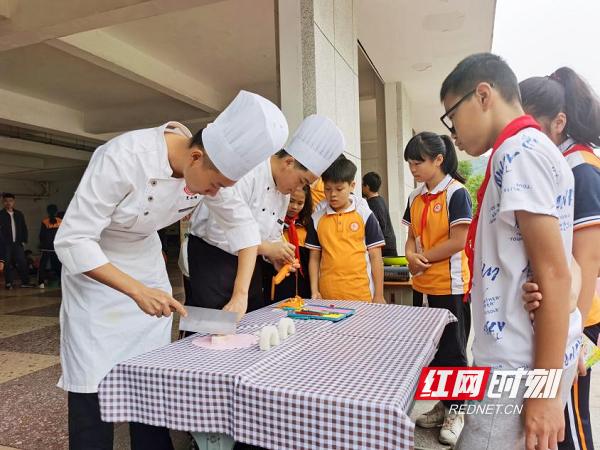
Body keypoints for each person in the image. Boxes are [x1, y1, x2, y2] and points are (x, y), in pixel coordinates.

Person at [53, 90, 289, 450]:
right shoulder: (123, 156)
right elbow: (72, 240)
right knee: (93, 387)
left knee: (149, 382)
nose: (214, 194)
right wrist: (135, 290)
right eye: (214, 185)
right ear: (196, 156)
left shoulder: (211, 172)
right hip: (96, 268)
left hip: (144, 260)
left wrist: (240, 297)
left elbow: (243, 230)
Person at [439, 53, 582, 450]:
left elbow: (555, 273)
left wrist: (543, 392)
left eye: (452, 117)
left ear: (483, 95)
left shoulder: (516, 153)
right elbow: (561, 264)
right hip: (530, 355)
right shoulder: (537, 147)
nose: (454, 134)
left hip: (517, 366)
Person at [187, 114, 345, 314]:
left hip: (249, 263)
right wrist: (269, 249)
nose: (300, 188)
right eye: (302, 181)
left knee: (251, 322)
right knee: (211, 332)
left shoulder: (283, 192)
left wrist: (275, 256)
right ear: (288, 162)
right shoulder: (247, 173)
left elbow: (271, 233)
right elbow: (220, 232)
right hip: (212, 260)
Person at [518, 67, 600, 450]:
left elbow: (587, 257)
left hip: (581, 318)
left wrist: (578, 333)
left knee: (570, 421)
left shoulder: (580, 169)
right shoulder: (562, 163)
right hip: (562, 314)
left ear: (559, 121)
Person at [402, 132, 472, 446]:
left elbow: (458, 240)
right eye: (410, 163)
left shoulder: (456, 193)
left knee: (454, 350)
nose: (413, 168)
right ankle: (442, 405)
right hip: (423, 284)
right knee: (430, 351)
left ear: (439, 160)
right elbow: (411, 237)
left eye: (418, 162)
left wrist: (422, 259)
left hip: (451, 285)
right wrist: (410, 257)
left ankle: (458, 410)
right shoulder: (414, 197)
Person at [306, 155, 385, 303]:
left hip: (361, 295)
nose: (333, 194)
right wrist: (314, 290)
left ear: (352, 186)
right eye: (328, 189)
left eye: (339, 189)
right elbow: (314, 258)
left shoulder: (365, 215)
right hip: (327, 297)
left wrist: (379, 295)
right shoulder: (316, 218)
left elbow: (375, 257)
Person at [267, 185, 313, 302]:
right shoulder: (271, 223)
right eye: (291, 201)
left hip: (303, 286)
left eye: (300, 203)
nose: (294, 207)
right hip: (276, 280)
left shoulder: (307, 224)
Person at [0, 193, 33, 288]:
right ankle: (9, 283)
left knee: (22, 262)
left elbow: (24, 227)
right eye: (6, 201)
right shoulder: (1, 215)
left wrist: (24, 240)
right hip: (5, 244)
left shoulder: (19, 214)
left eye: (10, 201)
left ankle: (25, 282)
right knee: (7, 263)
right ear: (3, 202)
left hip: (18, 243)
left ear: (14, 202)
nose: (8, 203)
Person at [362, 171, 398, 257]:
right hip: (389, 244)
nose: (362, 188)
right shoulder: (381, 200)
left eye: (363, 185)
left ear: (367, 186)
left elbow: (374, 228)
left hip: (383, 247)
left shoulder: (371, 204)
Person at [38, 204, 62, 288]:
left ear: (47, 212)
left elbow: (41, 235)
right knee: (58, 264)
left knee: (43, 265)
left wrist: (42, 244)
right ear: (56, 212)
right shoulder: (60, 221)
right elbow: (62, 234)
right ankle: (61, 281)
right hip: (56, 247)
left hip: (46, 247)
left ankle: (41, 282)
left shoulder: (45, 221)